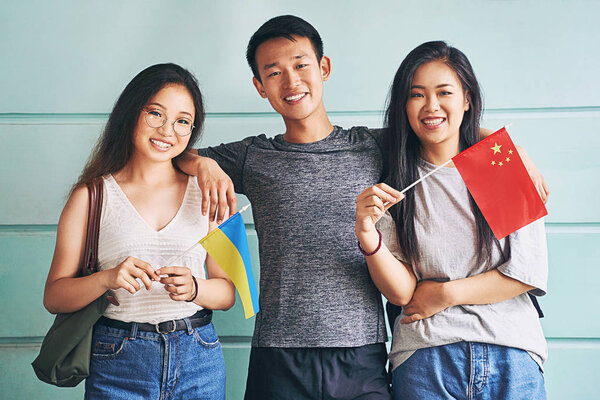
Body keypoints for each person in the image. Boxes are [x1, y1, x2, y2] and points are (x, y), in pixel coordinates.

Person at [178, 16, 548, 399]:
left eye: (302, 65)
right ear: (260, 86)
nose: (291, 82)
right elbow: (171, 156)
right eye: (274, 72)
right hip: (278, 349)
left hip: (363, 351)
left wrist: (508, 149)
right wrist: (202, 162)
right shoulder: (252, 156)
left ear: (324, 68)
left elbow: (440, 126)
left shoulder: (372, 147)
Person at [355, 41, 548, 400]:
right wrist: (368, 235)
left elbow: (526, 272)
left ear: (467, 98)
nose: (431, 106)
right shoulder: (393, 177)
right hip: (424, 357)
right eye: (416, 95)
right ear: (402, 105)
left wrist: (445, 293)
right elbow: (402, 292)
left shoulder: (499, 164)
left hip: (511, 351)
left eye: (444, 92)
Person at [43, 63, 235, 399]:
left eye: (182, 122)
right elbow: (54, 297)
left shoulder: (211, 191)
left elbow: (229, 293)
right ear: (132, 113)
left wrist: (194, 287)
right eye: (155, 114)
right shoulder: (91, 197)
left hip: (199, 358)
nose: (167, 131)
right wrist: (108, 278)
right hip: (116, 358)